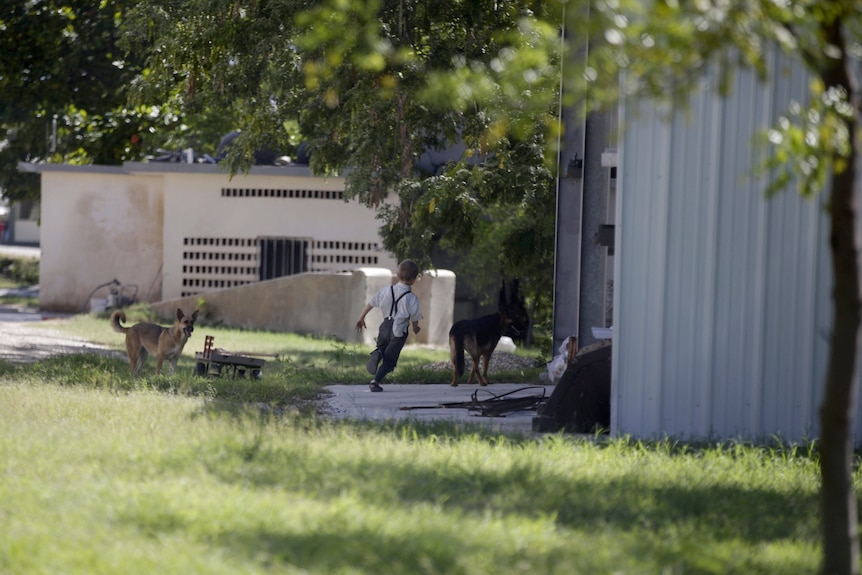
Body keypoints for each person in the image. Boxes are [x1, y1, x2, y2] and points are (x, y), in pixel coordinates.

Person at [355, 260, 423, 392]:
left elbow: (371, 303)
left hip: (385, 326)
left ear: (397, 275)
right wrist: (415, 328)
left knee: (382, 347)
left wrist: (361, 318)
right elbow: (415, 317)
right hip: (399, 331)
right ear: (414, 279)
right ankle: (375, 382)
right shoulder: (411, 298)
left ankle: (378, 352)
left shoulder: (386, 290)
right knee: (390, 360)